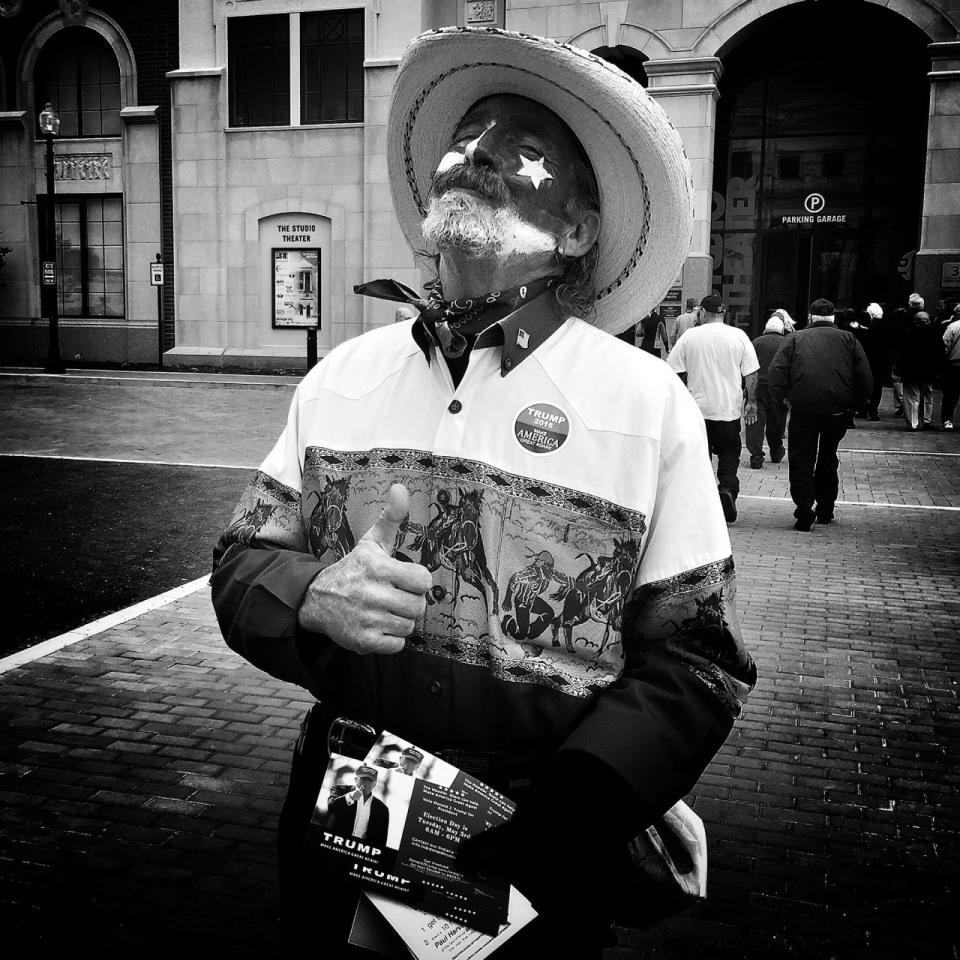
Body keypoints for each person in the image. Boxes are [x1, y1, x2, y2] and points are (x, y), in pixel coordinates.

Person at [211, 26, 756, 959]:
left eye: (520, 150)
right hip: (346, 816)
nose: (475, 159)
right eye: (464, 145)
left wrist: (578, 807)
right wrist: (311, 597)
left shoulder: (645, 404)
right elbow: (235, 565)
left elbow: (701, 661)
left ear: (577, 231)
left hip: (540, 849)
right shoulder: (338, 380)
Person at [767, 298, 872, 531]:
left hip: (804, 408)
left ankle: (804, 509)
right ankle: (825, 508)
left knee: (802, 458)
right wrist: (854, 405)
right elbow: (864, 376)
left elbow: (776, 371)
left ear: (810, 317)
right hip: (836, 409)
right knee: (828, 456)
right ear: (833, 317)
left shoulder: (796, 338)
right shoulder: (849, 339)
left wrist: (782, 398)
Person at [667, 294, 760, 523]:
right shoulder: (739, 336)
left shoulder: (690, 337)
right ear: (723, 313)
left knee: (700, 457)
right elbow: (752, 375)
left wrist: (680, 399)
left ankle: (703, 502)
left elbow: (672, 371)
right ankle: (727, 488)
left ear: (703, 313)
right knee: (729, 453)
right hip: (727, 410)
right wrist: (751, 402)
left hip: (697, 410)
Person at [746, 316, 790, 468]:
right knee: (776, 422)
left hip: (758, 387)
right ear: (781, 329)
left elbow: (748, 367)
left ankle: (756, 456)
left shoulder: (756, 342)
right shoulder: (787, 342)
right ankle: (776, 451)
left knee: (755, 422)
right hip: (778, 388)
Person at [895, 302, 942, 431]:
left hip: (911, 370)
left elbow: (901, 352)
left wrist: (899, 368)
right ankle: (926, 420)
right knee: (928, 395)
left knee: (911, 397)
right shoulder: (935, 334)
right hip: (929, 370)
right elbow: (940, 352)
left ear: (915, 321)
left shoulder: (908, 334)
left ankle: (913, 423)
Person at [325, 764, 390, 849]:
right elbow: (331, 807)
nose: (366, 783)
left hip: (361, 851)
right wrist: (350, 797)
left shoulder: (382, 809)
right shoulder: (339, 790)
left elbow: (381, 840)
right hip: (334, 844)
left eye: (370, 780)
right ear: (356, 779)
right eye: (363, 779)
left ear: (375, 784)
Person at [942, 303, 960, 430]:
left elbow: (945, 346)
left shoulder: (952, 327)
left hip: (954, 365)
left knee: (950, 395)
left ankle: (947, 420)